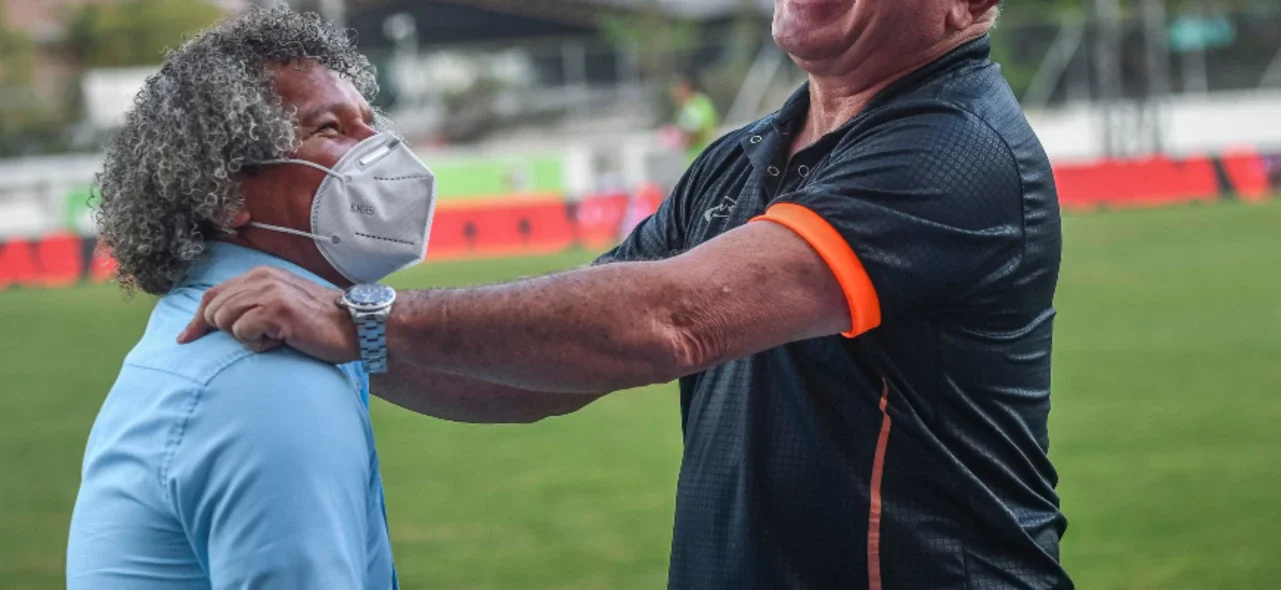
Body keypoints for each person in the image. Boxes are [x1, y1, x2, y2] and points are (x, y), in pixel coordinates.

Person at [181, 0, 1071, 587]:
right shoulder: (741, 158)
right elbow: (554, 367)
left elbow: (669, 321)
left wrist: (358, 320)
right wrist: (332, 352)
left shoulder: (955, 149)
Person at [66, 8, 431, 588]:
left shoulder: (245, 339)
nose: (380, 147)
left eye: (368, 122)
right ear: (224, 195)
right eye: (330, 129)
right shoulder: (266, 375)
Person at [668, 73, 721, 162]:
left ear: (685, 88)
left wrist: (681, 141)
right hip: (710, 155)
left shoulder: (691, 107)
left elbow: (693, 132)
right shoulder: (704, 102)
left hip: (699, 158)